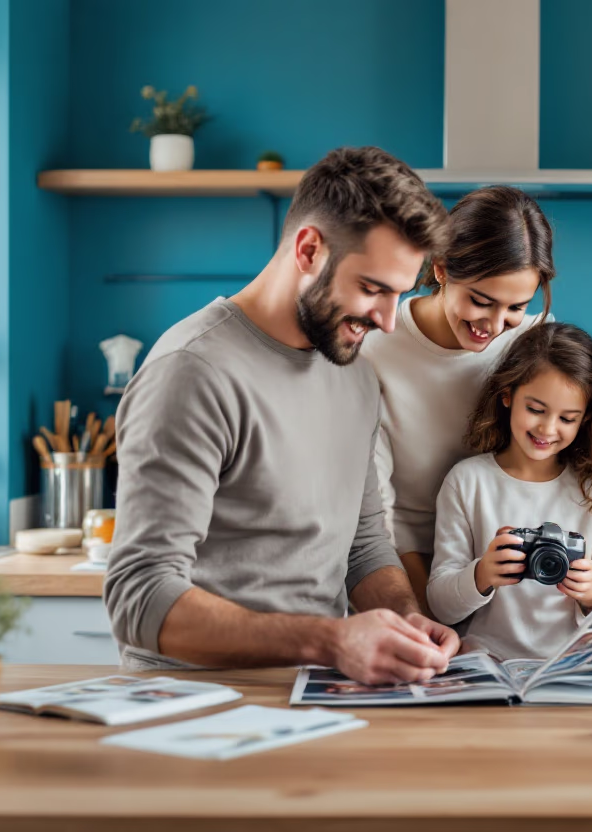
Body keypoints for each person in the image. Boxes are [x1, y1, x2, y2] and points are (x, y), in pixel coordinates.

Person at [104, 146, 460, 683]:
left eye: (399, 295)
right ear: (310, 249)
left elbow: (361, 542)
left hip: (314, 690)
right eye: (372, 289)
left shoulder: (354, 374)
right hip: (193, 703)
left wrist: (407, 620)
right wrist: (331, 641)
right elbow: (140, 595)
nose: (388, 322)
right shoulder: (192, 371)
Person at [362, 185, 554, 615]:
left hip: (506, 576)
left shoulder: (533, 340)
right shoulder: (377, 349)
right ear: (442, 267)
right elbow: (376, 516)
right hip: (404, 566)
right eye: (480, 301)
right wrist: (423, 615)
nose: (494, 324)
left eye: (516, 306)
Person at [427, 323, 592, 660]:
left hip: (571, 666)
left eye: (567, 418)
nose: (547, 429)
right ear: (507, 394)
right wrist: (482, 574)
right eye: (536, 410)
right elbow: (440, 605)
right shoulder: (467, 482)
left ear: (585, 419)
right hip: (487, 662)